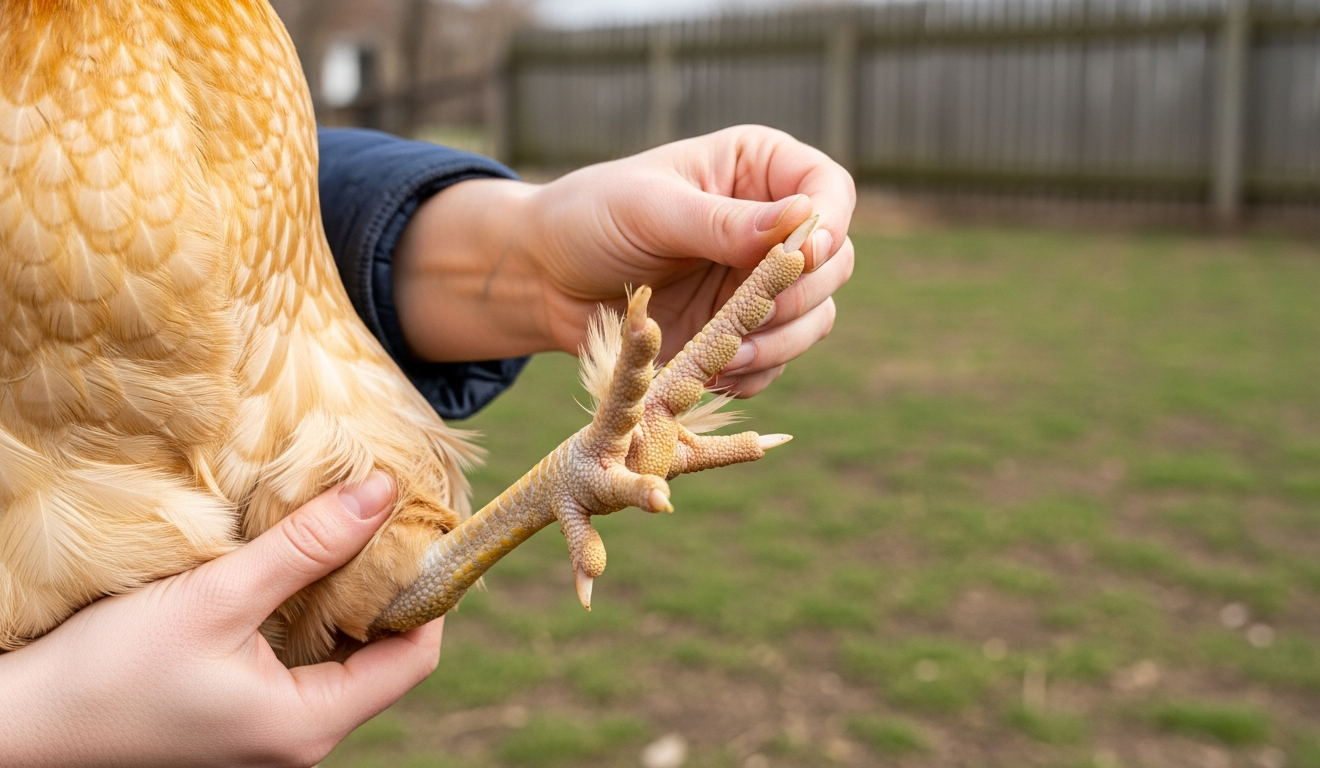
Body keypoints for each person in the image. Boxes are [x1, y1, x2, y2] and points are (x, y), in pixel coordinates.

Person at [0, 125, 855, 767]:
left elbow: (196, 181)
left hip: (273, 443)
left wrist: (519, 257)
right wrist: (30, 719)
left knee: (385, 572)